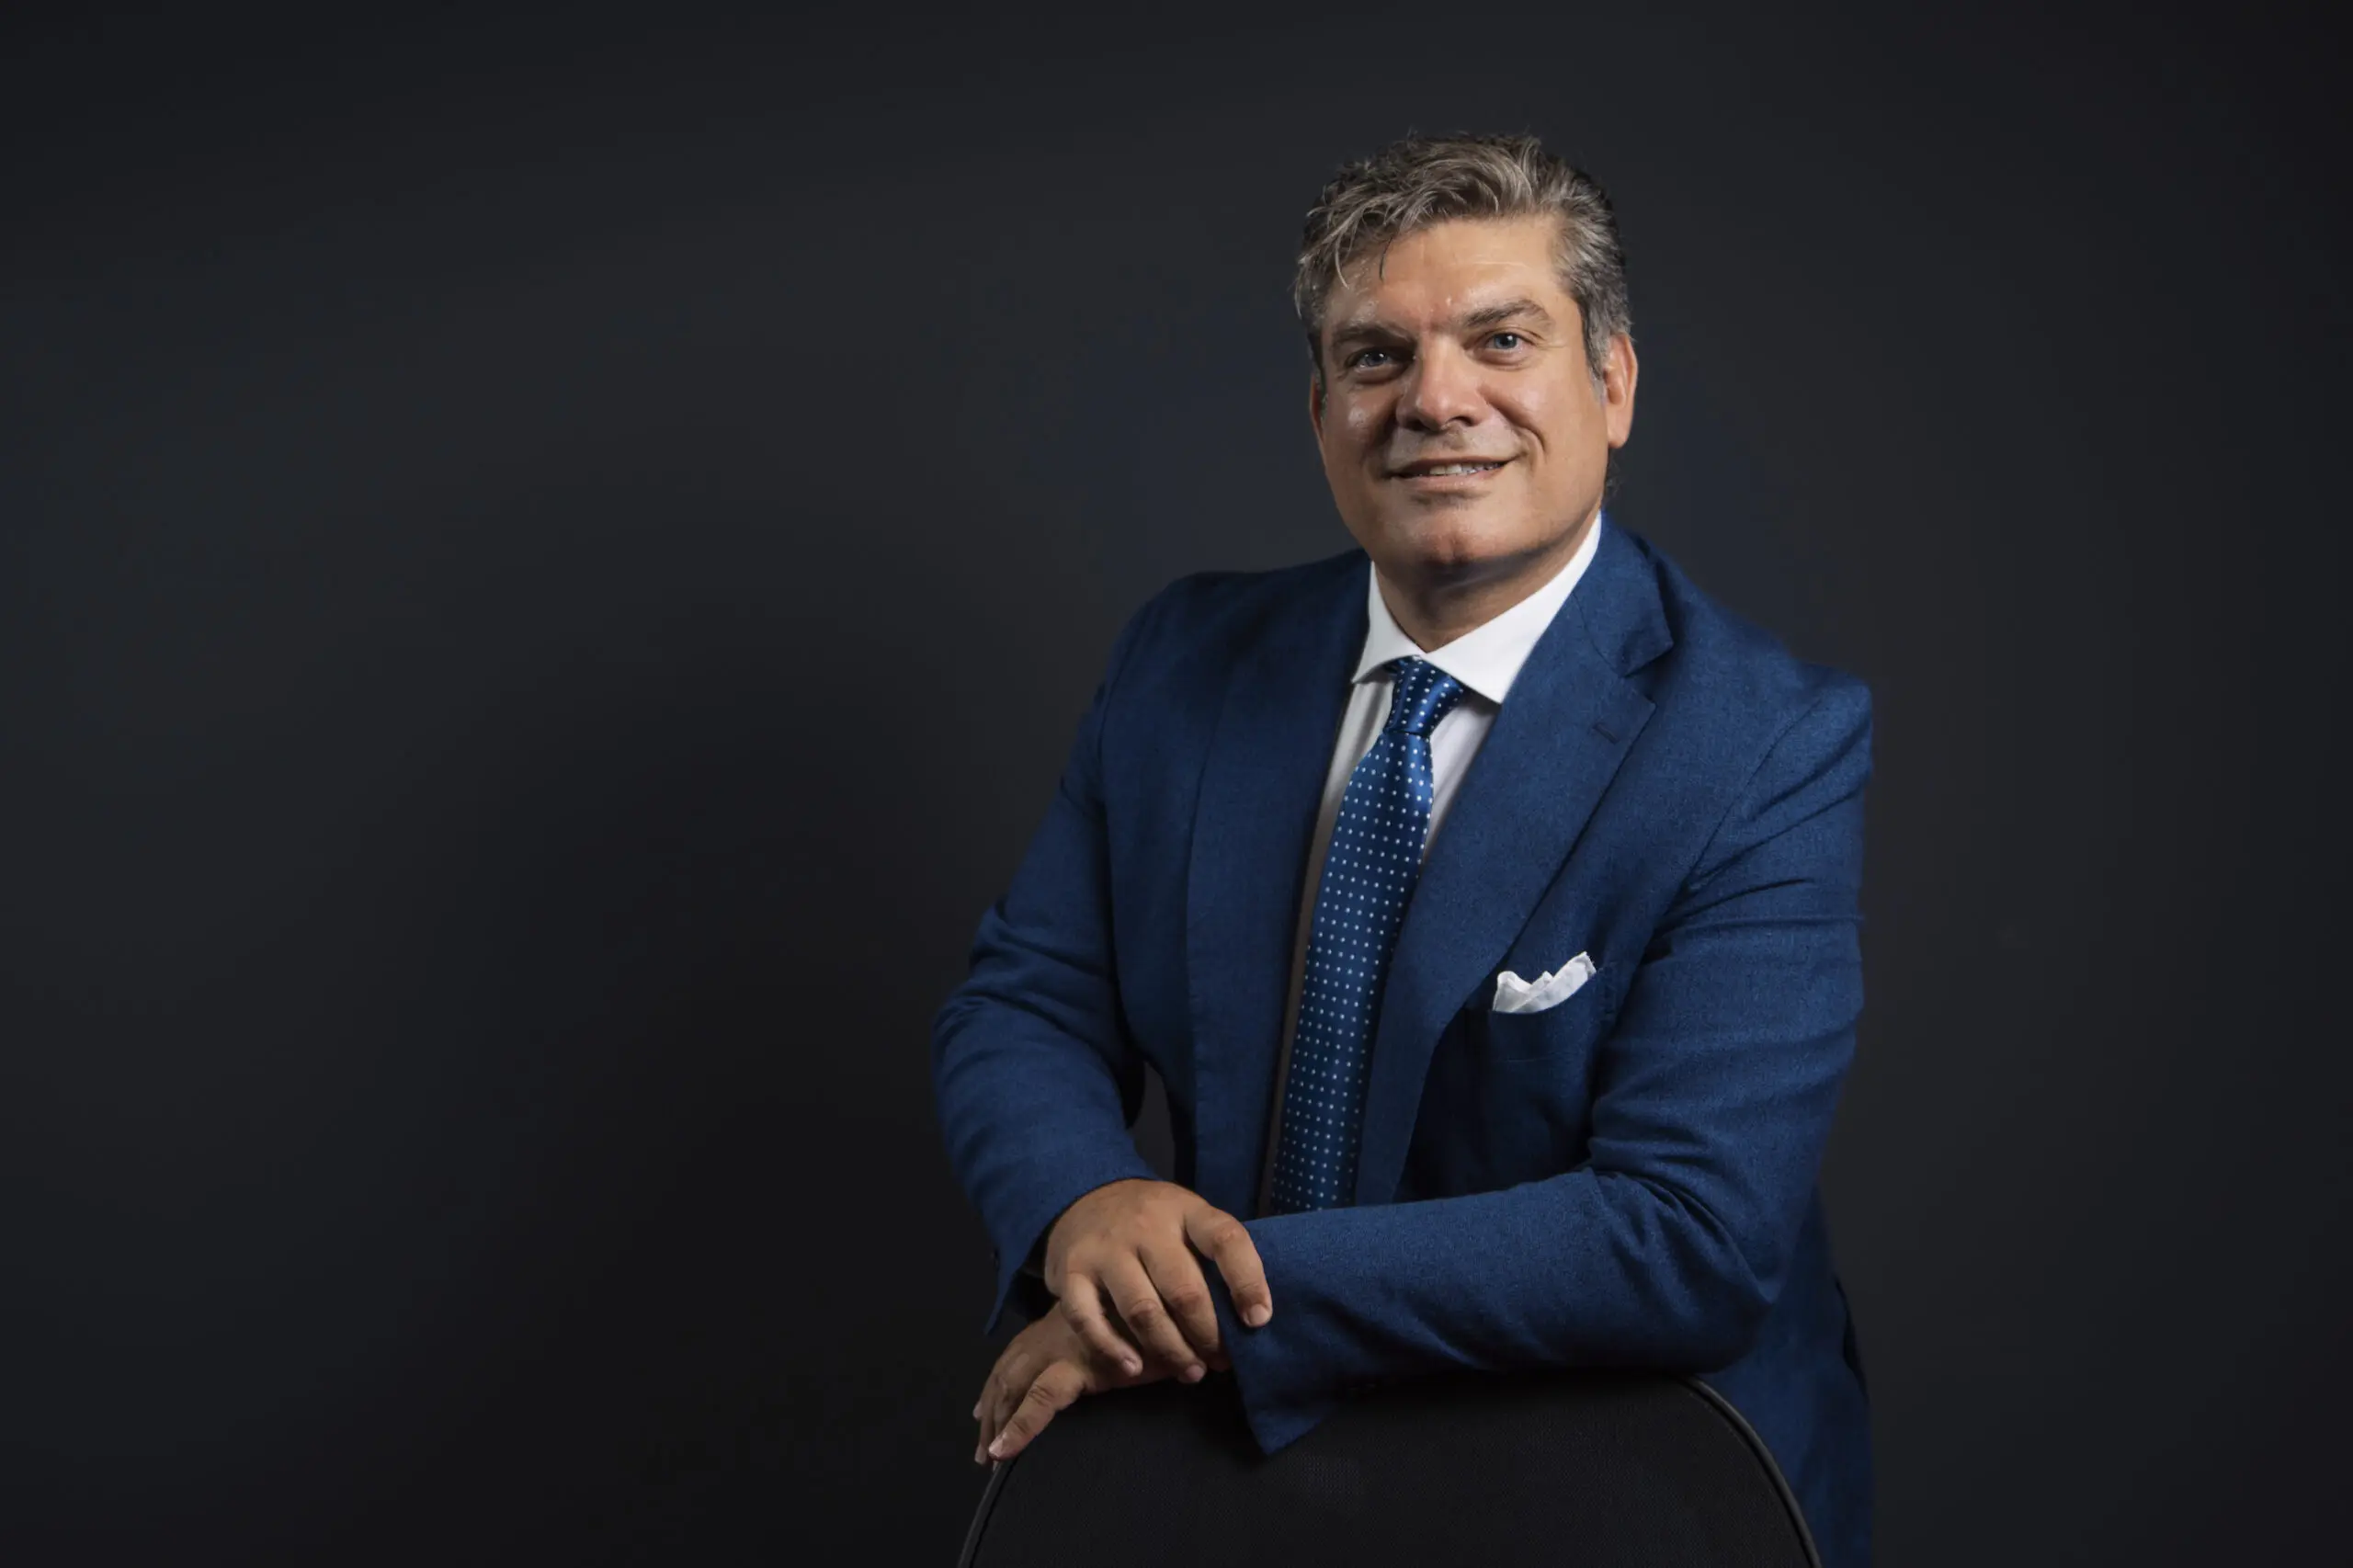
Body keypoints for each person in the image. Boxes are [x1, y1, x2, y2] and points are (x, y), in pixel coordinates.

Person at [931, 131, 1875, 1566]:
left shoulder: (1764, 739)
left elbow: (1689, 1232)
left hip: (1635, 1480)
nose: (1437, 399)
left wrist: (1206, 1296)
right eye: (1377, 356)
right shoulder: (1184, 658)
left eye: (1501, 339)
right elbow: (1027, 1000)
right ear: (1322, 412)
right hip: (1233, 1473)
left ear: (1613, 385)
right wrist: (1086, 1202)